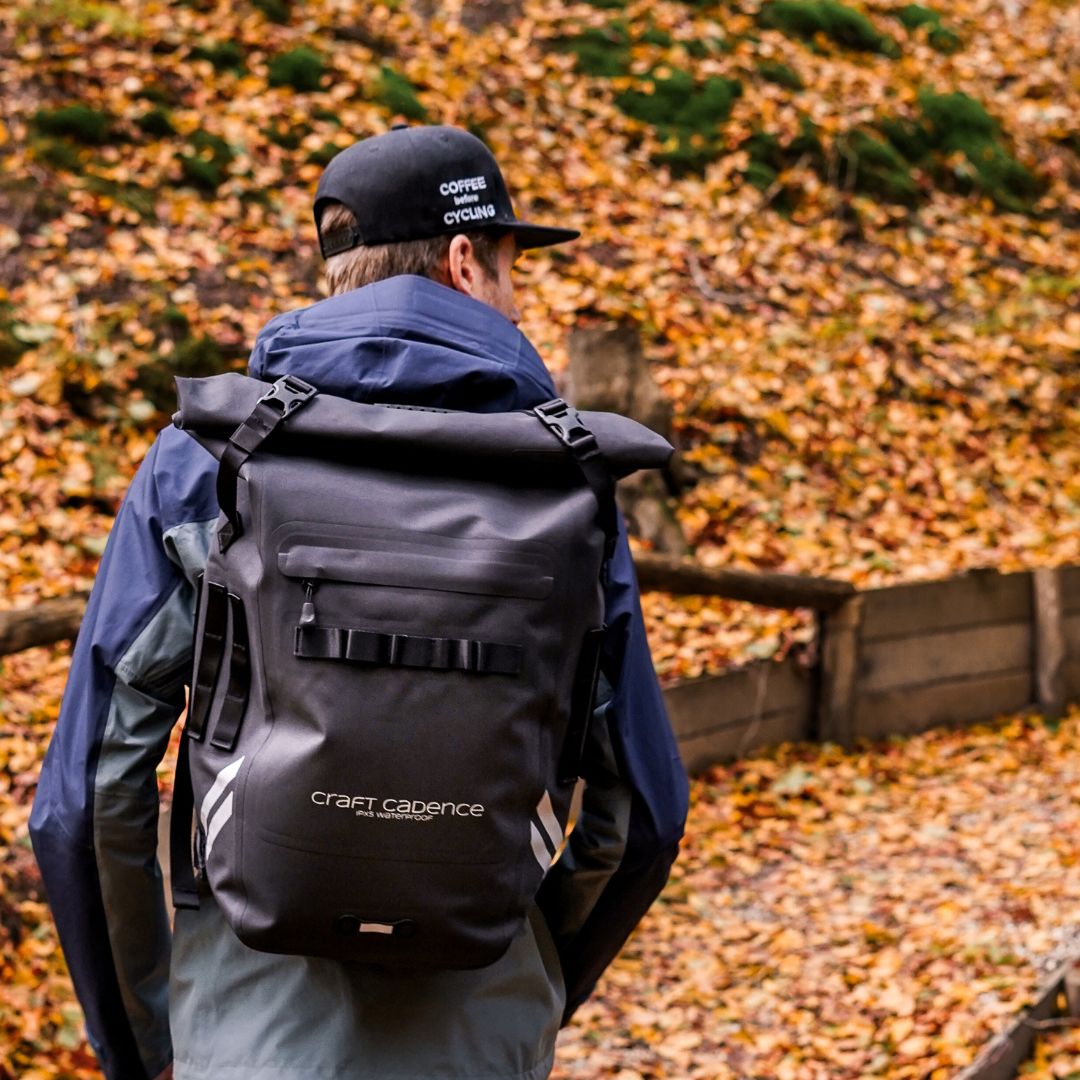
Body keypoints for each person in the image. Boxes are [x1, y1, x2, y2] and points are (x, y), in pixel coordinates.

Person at [30, 124, 689, 1080]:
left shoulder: (210, 457)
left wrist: (149, 1038)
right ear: (466, 261)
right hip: (479, 1033)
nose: (516, 296)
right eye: (512, 266)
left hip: (244, 1024)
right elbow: (640, 814)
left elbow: (91, 797)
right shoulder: (561, 480)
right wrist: (529, 979)